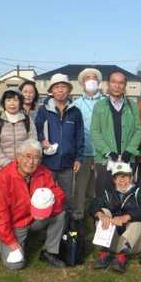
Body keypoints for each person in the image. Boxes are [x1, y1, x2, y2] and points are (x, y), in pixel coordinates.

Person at [0, 139, 67, 270]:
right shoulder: (3, 178)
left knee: (61, 214)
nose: (31, 162)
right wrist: (11, 242)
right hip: (15, 224)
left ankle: (49, 251)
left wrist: (50, 203)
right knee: (15, 265)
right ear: (18, 157)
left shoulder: (44, 173)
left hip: (36, 219)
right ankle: (10, 242)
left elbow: (59, 195)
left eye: (36, 158)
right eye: (28, 156)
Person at [35, 73, 84, 218]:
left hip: (68, 164)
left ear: (69, 90)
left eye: (64, 87)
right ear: (52, 90)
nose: (60, 90)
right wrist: (42, 140)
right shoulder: (44, 110)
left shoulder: (75, 111)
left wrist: (79, 158)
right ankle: (47, 222)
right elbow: (36, 130)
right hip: (48, 163)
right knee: (47, 194)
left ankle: (67, 228)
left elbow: (80, 136)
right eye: (57, 87)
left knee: (66, 197)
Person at [89, 161, 141, 273]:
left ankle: (121, 257)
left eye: (125, 177)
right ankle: (104, 252)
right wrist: (101, 215)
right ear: (114, 180)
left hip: (133, 244)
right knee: (103, 211)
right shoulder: (108, 192)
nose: (122, 180)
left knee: (138, 220)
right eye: (118, 177)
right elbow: (93, 205)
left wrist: (127, 217)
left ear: (131, 178)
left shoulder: (138, 192)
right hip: (112, 242)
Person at [90, 71, 141, 194]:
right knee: (104, 192)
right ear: (108, 84)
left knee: (125, 192)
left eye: (121, 83)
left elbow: (138, 129)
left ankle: (123, 214)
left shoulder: (132, 106)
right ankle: (104, 213)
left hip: (128, 158)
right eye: (114, 82)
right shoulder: (100, 105)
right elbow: (95, 131)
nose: (117, 85)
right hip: (105, 159)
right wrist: (107, 152)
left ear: (125, 85)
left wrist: (130, 150)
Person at [73, 68, 103, 221]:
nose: (91, 80)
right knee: (80, 187)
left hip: (102, 153)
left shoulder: (106, 102)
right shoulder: (76, 104)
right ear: (82, 84)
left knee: (99, 187)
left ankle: (99, 215)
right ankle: (78, 216)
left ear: (98, 82)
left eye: (94, 78)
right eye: (87, 78)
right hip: (83, 152)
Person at [0, 87, 37, 173]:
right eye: (8, 100)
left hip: (23, 169)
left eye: (15, 100)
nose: (12, 103)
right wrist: (7, 163)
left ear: (20, 102)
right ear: (3, 103)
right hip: (2, 169)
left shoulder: (27, 120)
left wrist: (23, 163)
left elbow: (33, 143)